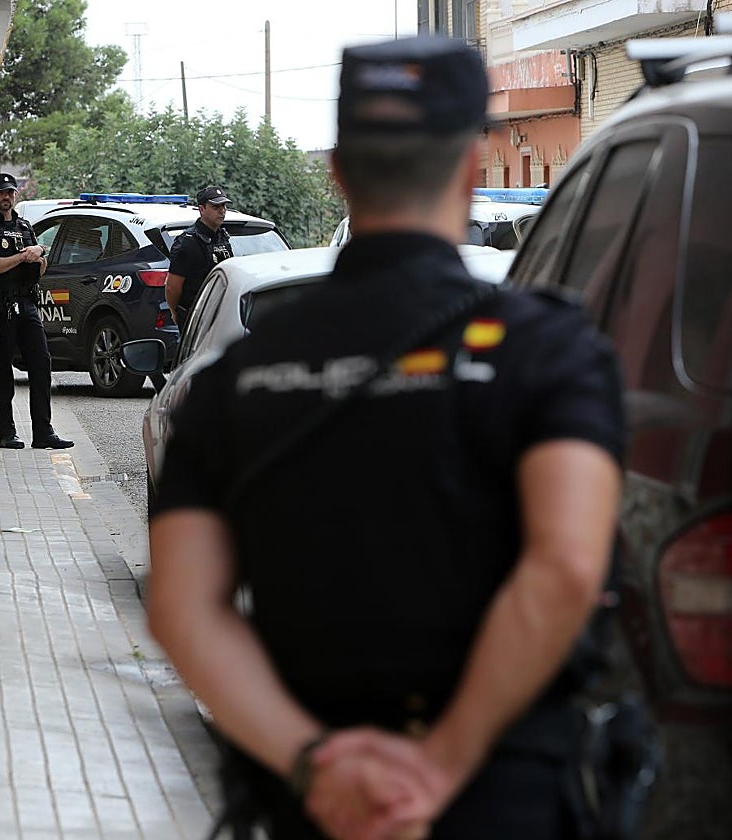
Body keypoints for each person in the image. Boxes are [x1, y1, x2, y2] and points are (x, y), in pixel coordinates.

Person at [147, 36, 626, 840]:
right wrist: (442, 761)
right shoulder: (552, 350)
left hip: (316, 800)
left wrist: (312, 763)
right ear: (473, 168)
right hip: (505, 790)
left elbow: (183, 607)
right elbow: (567, 567)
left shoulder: (238, 376)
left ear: (339, 170)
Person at [0, 172, 73, 450]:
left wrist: (37, 256)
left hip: (27, 304)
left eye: (11, 193)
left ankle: (43, 432)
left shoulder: (25, 225)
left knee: (41, 365)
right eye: (2, 193)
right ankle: (7, 433)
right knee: (3, 370)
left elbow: (41, 265)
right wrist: (20, 257)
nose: (7, 197)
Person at [166, 185, 235, 332]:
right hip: (196, 315)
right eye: (216, 206)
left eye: (224, 206)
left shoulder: (222, 236)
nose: (222, 211)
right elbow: (172, 286)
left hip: (221, 311)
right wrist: (175, 312)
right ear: (202, 209)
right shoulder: (188, 242)